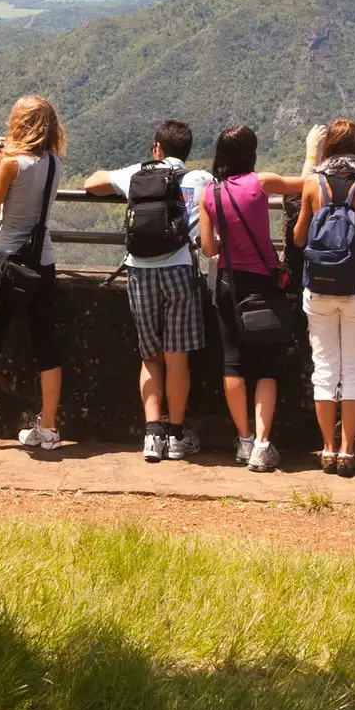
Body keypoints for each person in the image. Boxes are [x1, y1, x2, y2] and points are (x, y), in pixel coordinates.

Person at [83, 119, 215, 462]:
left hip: (140, 272)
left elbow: (92, 183)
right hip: (181, 270)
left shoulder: (137, 174)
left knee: (150, 356)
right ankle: (176, 436)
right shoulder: (200, 179)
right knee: (177, 356)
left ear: (158, 148)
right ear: (186, 151)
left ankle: (152, 434)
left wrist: (124, 173)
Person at [0, 95, 66, 452]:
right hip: (42, 264)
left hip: (7, 263)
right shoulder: (56, 163)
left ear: (19, 124)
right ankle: (48, 428)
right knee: (47, 347)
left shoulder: (11, 165)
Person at [199, 124, 309, 472]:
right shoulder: (261, 183)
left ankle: (244, 439)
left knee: (232, 361)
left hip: (228, 283)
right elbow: (308, 185)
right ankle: (263, 444)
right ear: (251, 153)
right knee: (267, 366)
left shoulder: (210, 194)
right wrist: (311, 150)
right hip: (261, 281)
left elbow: (208, 248)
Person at [290, 118, 355, 476]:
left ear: (328, 147)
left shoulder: (313, 183)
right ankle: (348, 451)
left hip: (318, 286)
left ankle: (327, 450)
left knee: (324, 370)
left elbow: (300, 238)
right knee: (353, 370)